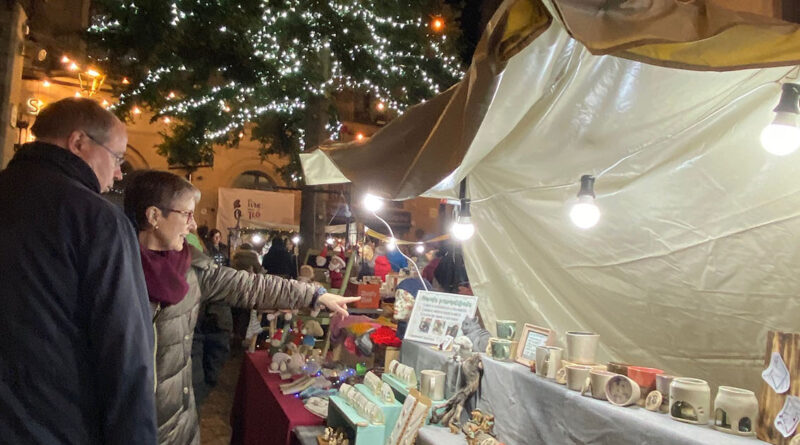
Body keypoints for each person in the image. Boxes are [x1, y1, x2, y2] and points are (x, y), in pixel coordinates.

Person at [124, 170, 359, 444]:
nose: (193, 225)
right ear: (154, 216)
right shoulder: (115, 272)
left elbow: (249, 285)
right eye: (186, 214)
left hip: (179, 422)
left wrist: (314, 294)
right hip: (131, 425)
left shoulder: (190, 269)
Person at [0, 98, 156, 444]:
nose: (119, 173)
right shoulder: (99, 220)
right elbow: (126, 353)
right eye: (117, 158)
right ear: (78, 142)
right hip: (58, 426)